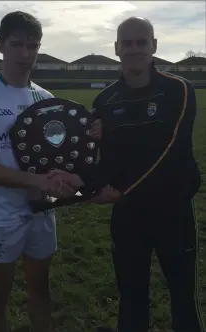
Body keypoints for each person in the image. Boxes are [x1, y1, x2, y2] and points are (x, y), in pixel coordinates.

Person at [51, 16, 205, 332]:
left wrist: (121, 191)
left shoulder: (179, 90)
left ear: (154, 46)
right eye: (128, 43)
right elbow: (107, 161)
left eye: (142, 42)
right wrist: (80, 182)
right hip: (128, 217)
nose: (135, 49)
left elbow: (171, 155)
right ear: (117, 48)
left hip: (173, 213)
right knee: (132, 301)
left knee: (183, 302)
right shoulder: (105, 100)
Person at [0, 11, 76, 332]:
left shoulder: (45, 98)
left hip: (42, 214)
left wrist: (64, 179)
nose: (24, 54)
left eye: (32, 46)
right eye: (16, 45)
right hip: (0, 217)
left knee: (40, 291)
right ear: (0, 45)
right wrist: (35, 180)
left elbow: (55, 158)